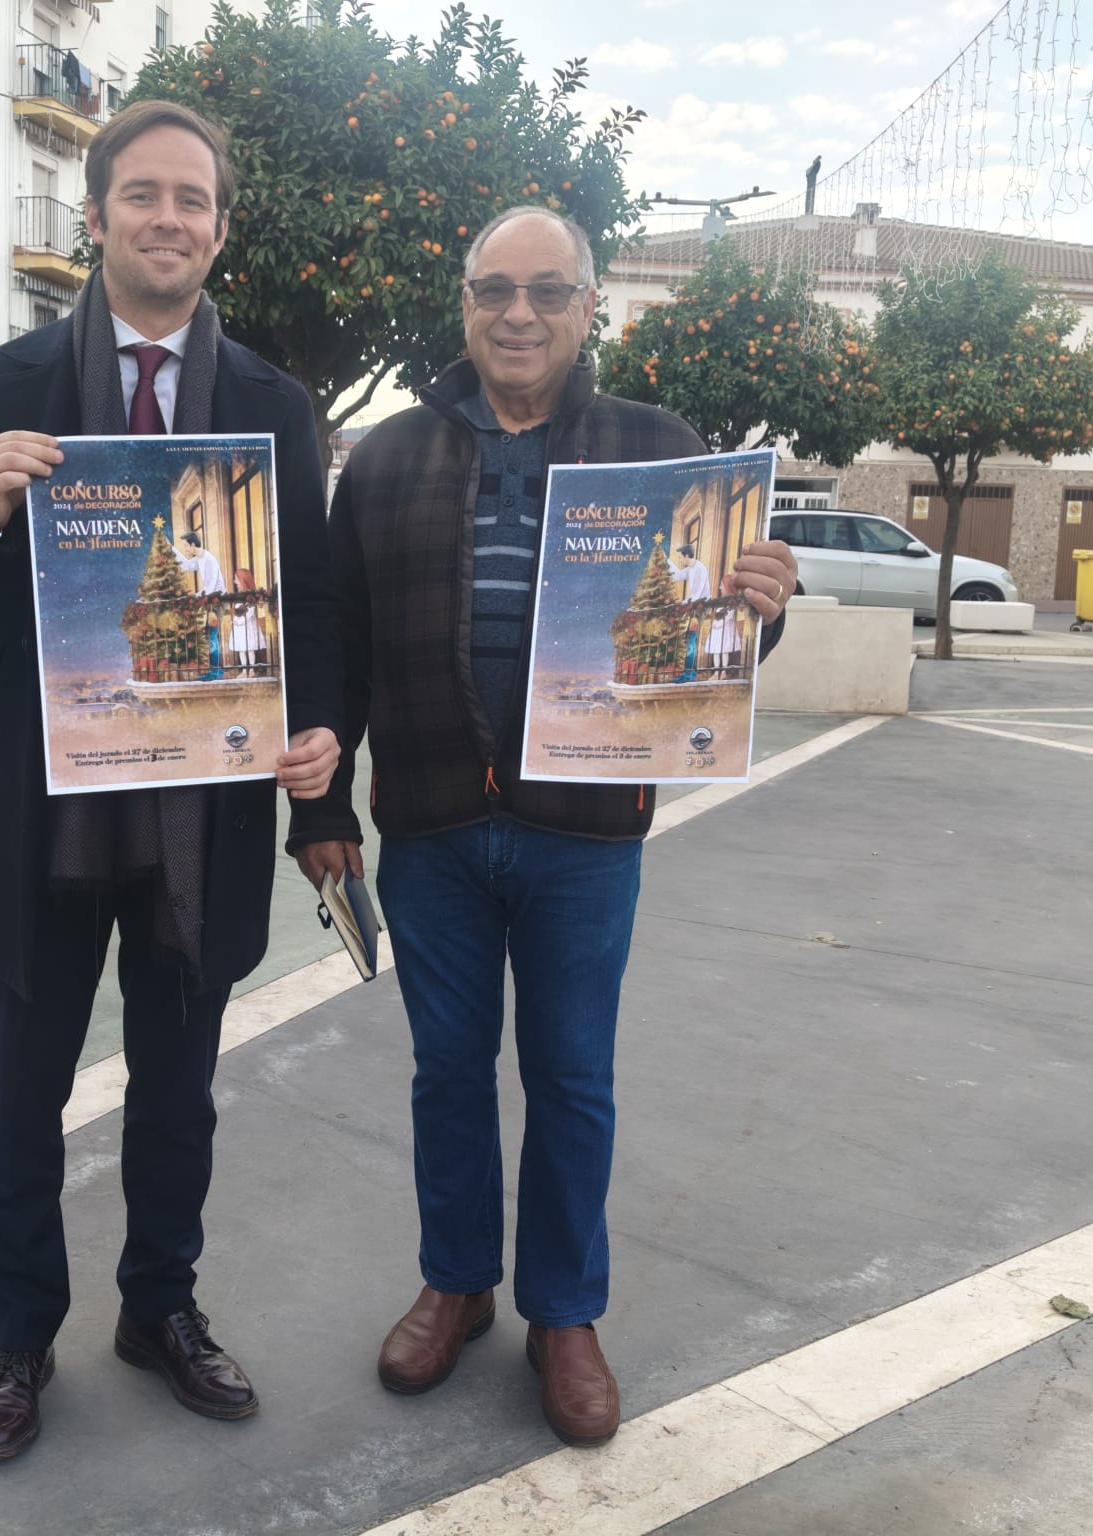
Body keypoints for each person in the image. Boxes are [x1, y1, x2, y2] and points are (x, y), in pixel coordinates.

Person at [287, 206, 798, 1448]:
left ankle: (563, 1313)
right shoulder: (391, 457)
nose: (518, 313)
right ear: (463, 303)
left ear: (587, 307)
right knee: (446, 1073)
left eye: (547, 292)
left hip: (586, 834)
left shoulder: (657, 451)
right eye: (494, 290)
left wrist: (760, 608)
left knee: (572, 1080)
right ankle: (459, 1284)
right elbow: (338, 645)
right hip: (430, 829)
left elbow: (708, 646)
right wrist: (319, 805)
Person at [0, 98, 343, 1465]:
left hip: (199, 813)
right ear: (95, 219)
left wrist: (319, 766)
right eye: (140, 196)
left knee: (178, 1092)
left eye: (191, 200)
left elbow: (309, 620)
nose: (166, 220)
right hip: (44, 821)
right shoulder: (7, 386)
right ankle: (19, 1335)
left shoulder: (271, 410)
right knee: (20, 1094)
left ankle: (161, 1311)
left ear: (218, 230)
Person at [177, 529, 227, 679]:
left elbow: (210, 587)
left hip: (217, 602)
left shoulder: (209, 559)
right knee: (211, 636)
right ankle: (214, 670)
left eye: (186, 546)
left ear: (193, 544)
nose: (185, 549)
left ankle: (216, 672)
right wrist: (171, 549)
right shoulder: (199, 558)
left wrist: (195, 595)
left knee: (212, 637)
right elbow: (186, 566)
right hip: (211, 602)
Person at [666, 543, 715, 681]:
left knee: (691, 639)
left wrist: (683, 603)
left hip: (700, 607)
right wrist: (667, 561)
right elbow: (677, 576)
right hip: (693, 606)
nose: (680, 560)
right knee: (689, 639)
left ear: (687, 556)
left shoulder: (699, 569)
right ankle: (688, 672)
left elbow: (697, 593)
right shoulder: (690, 569)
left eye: (681, 557)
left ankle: (689, 673)